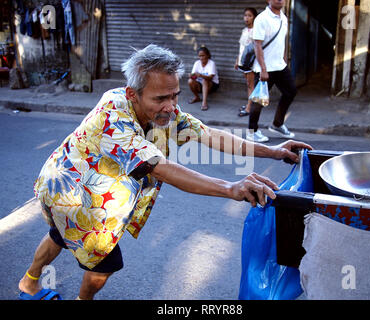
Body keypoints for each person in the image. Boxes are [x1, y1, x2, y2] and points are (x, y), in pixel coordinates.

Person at [18, 44, 311, 300]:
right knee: (105, 264)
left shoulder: (163, 110)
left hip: (76, 186)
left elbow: (206, 133)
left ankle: (29, 284)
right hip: (72, 194)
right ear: (132, 94)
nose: (171, 107)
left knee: (58, 235)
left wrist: (273, 150)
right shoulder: (113, 116)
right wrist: (230, 188)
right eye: (161, 99)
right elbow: (162, 169)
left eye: (175, 95)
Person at [246, 0, 297, 143]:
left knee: (291, 91)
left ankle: (277, 124)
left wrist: (284, 59)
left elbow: (281, 41)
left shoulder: (284, 18)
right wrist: (263, 69)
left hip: (279, 66)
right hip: (264, 68)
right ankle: (252, 131)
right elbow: (257, 44)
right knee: (259, 100)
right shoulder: (262, 18)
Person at [235, 7, 258, 117]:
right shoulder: (244, 30)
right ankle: (249, 104)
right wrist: (237, 61)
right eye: (245, 15)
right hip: (242, 62)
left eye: (250, 16)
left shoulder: (256, 31)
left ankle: (249, 108)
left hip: (250, 63)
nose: (247, 18)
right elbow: (241, 47)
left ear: (254, 17)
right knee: (248, 84)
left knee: (251, 85)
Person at [188, 46, 219, 111]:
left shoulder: (211, 63)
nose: (201, 58)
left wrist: (201, 75)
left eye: (203, 56)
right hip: (200, 84)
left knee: (205, 80)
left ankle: (204, 102)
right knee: (190, 81)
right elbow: (194, 76)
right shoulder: (197, 63)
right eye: (199, 56)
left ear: (207, 55)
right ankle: (197, 97)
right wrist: (192, 76)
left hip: (212, 85)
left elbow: (211, 77)